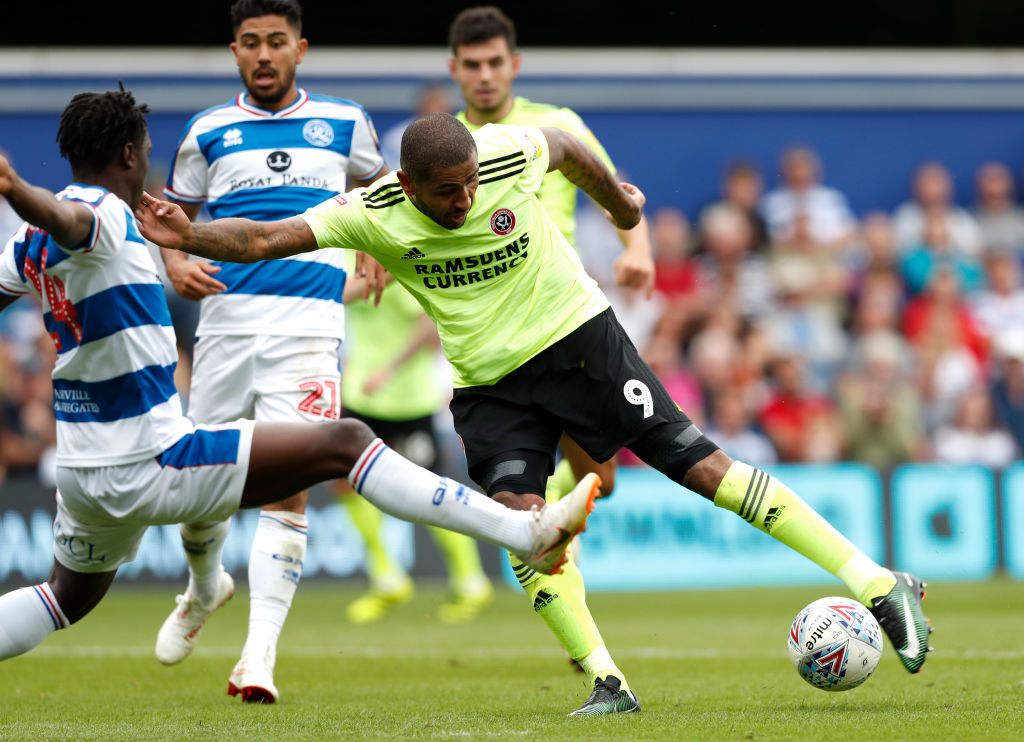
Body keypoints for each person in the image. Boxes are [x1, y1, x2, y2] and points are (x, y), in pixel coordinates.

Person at [138, 111, 935, 716]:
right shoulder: (371, 210)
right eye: (446, 193)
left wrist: (619, 207)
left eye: (469, 186)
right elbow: (269, 235)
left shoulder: (504, 153)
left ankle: (875, 582)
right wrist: (190, 233)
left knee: (703, 469)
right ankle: (606, 679)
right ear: (410, 186)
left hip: (580, 342)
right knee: (526, 529)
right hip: (491, 388)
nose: (464, 200)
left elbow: (563, 143)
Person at [0, 90, 596, 672]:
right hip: (153, 457)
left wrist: (27, 202)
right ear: (131, 156)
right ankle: (522, 530)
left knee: (65, 597)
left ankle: (214, 600)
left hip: (80, 470)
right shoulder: (100, 213)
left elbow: (47, 232)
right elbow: (70, 217)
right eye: (147, 150)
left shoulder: (24, 244)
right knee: (345, 443)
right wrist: (16, 189)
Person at [156, 0, 390, 703]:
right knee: (200, 484)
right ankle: (204, 588)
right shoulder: (207, 131)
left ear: (300, 49)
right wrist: (173, 266)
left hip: (309, 330)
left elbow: (379, 194)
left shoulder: (347, 123)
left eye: (276, 43)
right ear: (234, 51)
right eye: (251, 43)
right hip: (226, 328)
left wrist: (378, 251)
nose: (264, 54)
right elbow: (171, 220)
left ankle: (258, 659)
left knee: (291, 483)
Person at [446, 6, 651, 705]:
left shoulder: (550, 124)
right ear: (455, 71)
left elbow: (611, 189)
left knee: (603, 483)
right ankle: (588, 646)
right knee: (538, 506)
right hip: (497, 353)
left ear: (513, 65)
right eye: (470, 65)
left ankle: (556, 543)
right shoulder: (442, 145)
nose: (483, 75)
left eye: (493, 62)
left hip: (567, 326)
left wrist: (640, 252)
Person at [339, 83, 493, 626]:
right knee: (345, 480)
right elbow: (339, 296)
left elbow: (430, 325)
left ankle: (469, 577)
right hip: (361, 388)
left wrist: (391, 368)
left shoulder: (411, 248)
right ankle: (386, 574)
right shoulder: (351, 246)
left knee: (427, 487)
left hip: (405, 393)